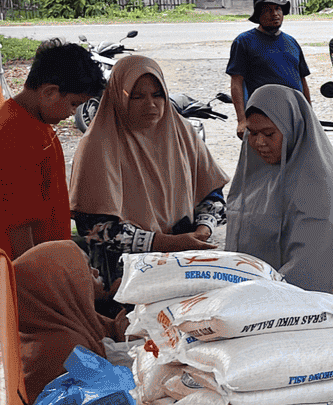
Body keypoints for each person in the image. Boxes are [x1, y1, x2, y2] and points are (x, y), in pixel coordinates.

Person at [70, 54, 229, 288]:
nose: (151, 104)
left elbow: (212, 195)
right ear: (118, 96)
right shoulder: (97, 145)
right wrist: (162, 242)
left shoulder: (182, 132)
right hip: (124, 274)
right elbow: (94, 228)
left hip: (185, 262)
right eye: (137, 96)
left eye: (158, 95)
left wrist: (203, 229)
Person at [225, 84, 333, 292]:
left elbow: (311, 268)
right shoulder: (255, 173)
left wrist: (260, 295)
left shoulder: (320, 187)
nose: (259, 142)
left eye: (269, 134)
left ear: (293, 128)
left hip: (300, 304)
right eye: (252, 132)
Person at [0, 39, 104, 259]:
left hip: (43, 258)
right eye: (73, 104)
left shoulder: (36, 123)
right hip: (22, 267)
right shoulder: (13, 137)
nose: (73, 113)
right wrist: (44, 278)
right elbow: (19, 229)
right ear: (49, 92)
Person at [13, 240, 129, 402]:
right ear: (62, 285)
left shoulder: (55, 324)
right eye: (86, 269)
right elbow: (113, 391)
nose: (95, 272)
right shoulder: (65, 348)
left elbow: (107, 330)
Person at [227, 0, 310, 137]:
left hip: (294, 114)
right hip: (262, 115)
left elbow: (302, 80)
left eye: (278, 9)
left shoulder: (291, 42)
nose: (275, 14)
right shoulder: (244, 41)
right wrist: (241, 120)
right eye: (268, 10)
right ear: (258, 15)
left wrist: (309, 114)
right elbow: (236, 82)